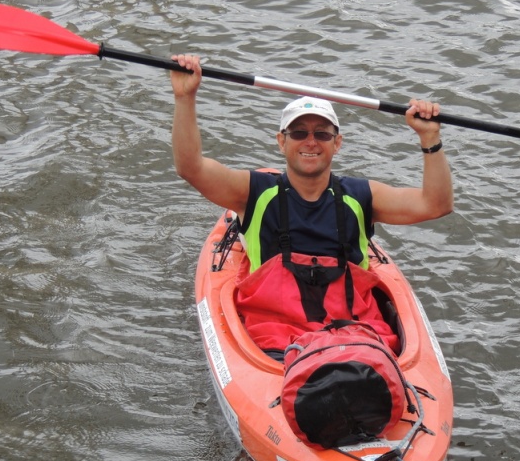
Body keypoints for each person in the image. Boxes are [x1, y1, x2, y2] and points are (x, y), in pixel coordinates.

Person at [170, 54, 453, 360]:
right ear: (282, 141)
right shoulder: (252, 193)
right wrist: (185, 97)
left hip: (355, 333)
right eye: (299, 133)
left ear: (337, 143)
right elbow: (191, 168)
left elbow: (435, 204)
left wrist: (430, 138)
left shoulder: (361, 196)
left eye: (322, 134)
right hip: (275, 339)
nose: (310, 142)